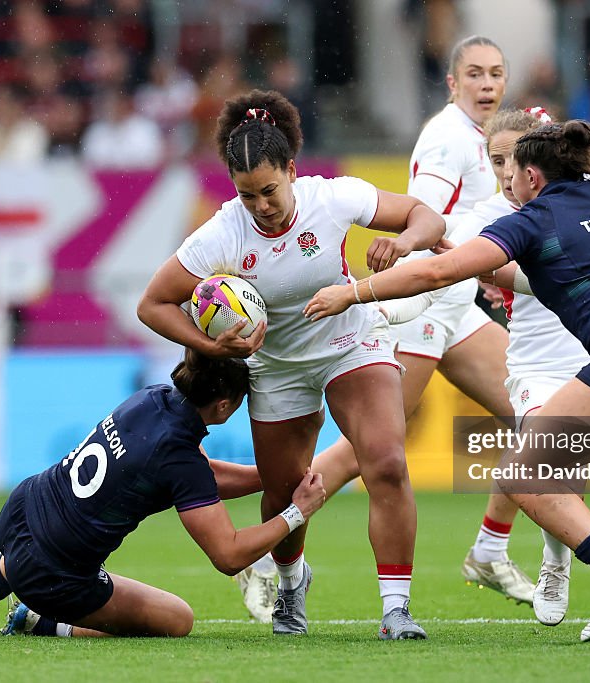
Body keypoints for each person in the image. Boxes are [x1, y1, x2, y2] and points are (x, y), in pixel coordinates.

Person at [304, 120, 590, 643]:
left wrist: (354, 293)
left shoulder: (530, 218)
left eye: (511, 168)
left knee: (523, 473)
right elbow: (554, 270)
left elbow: (435, 275)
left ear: (532, 176)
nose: (505, 178)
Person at [137, 89, 444, 639]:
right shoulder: (222, 232)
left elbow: (426, 217)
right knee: (283, 491)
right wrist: (214, 347)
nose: (261, 206)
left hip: (349, 342)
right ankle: (291, 583)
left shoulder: (334, 198)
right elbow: (152, 304)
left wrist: (404, 243)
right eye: (246, 195)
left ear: (292, 172)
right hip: (276, 367)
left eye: (269, 190)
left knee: (386, 462)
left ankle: (396, 610)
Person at [295, 35, 539, 613]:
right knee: (371, 448)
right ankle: (270, 546)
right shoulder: (448, 139)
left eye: (496, 73)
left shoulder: (490, 140)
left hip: (457, 307)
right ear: (452, 83)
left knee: (537, 418)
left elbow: (470, 223)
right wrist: (412, 251)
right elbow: (425, 217)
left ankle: (489, 551)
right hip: (425, 303)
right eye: (474, 74)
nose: (487, 84)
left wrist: (482, 267)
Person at [0, 350, 327, 638]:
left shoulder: (152, 397)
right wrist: (297, 511)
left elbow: (204, 477)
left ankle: (0, 571)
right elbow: (229, 555)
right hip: (53, 575)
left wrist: (272, 478)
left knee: (50, 543)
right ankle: (38, 619)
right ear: (224, 405)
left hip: (22, 509)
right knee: (176, 620)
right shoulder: (179, 457)